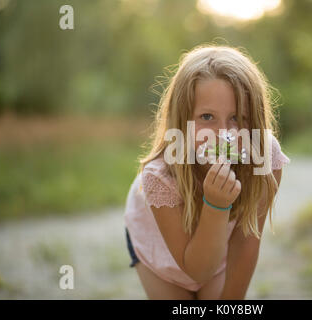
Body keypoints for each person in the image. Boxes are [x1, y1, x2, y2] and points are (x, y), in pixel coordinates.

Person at [124, 44, 290, 300]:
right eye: (207, 117)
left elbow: (246, 241)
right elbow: (198, 272)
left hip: (215, 254)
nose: (223, 134)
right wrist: (215, 205)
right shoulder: (160, 176)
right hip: (157, 256)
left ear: (255, 120)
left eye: (237, 118)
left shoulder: (264, 157)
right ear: (182, 120)